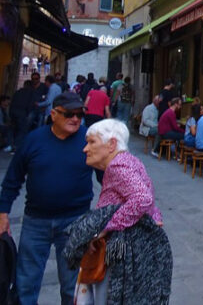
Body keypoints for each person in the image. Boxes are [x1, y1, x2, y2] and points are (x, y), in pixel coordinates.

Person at [0, 91, 94, 305]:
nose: (75, 119)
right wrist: (3, 214)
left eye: (79, 114)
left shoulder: (89, 140)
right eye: (69, 114)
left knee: (73, 286)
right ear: (54, 114)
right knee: (26, 283)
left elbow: (110, 177)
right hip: (36, 222)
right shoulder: (34, 140)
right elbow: (13, 178)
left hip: (75, 221)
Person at [70, 119, 170, 303]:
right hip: (128, 243)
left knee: (109, 293)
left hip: (117, 244)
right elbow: (147, 199)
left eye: (92, 142)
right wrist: (153, 216)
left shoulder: (117, 166)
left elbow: (142, 198)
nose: (85, 149)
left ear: (111, 144)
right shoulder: (130, 161)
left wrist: (106, 228)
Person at [10, 80, 35, 150]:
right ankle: (17, 146)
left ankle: (13, 144)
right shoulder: (31, 93)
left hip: (14, 112)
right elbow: (30, 104)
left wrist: (10, 114)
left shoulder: (17, 92)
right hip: (22, 113)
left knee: (15, 129)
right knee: (22, 130)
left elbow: (12, 103)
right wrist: (28, 113)